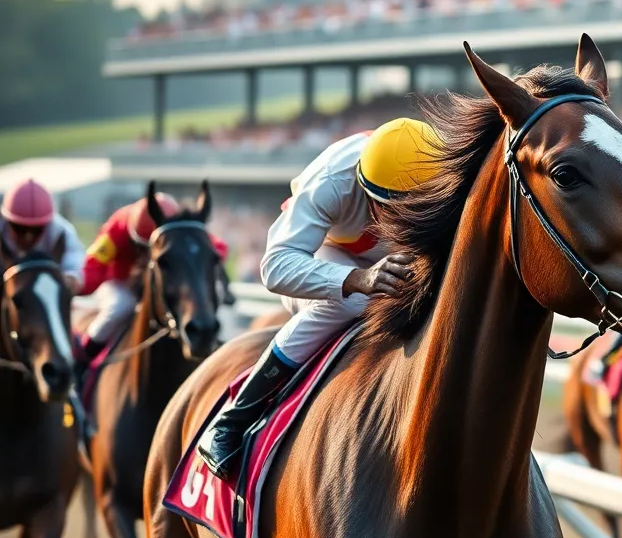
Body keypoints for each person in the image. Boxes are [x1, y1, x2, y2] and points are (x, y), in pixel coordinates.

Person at [196, 117, 440, 480]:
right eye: (392, 209)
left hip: (398, 260)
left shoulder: (446, 172)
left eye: (415, 208)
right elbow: (275, 266)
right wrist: (358, 278)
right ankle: (232, 420)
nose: (402, 222)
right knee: (354, 302)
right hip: (327, 258)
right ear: (365, 190)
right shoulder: (332, 179)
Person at [75, 190, 230, 370]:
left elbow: (216, 247)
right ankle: (82, 359)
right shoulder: (117, 227)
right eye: (142, 248)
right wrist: (80, 286)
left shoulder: (181, 229)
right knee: (119, 307)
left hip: (161, 282)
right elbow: (94, 263)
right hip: (120, 282)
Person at [0, 179, 86, 291]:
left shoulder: (62, 233)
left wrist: (69, 280)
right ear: (7, 220)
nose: (28, 237)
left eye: (37, 230)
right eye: (20, 228)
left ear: (47, 223)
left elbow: (76, 271)